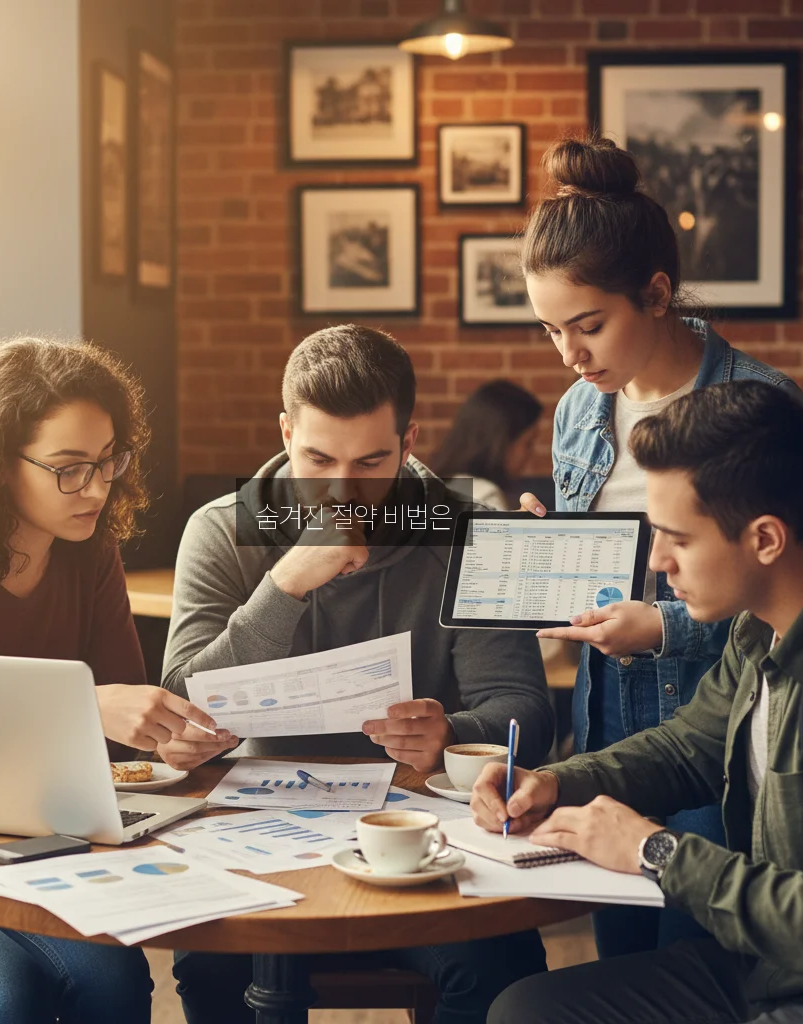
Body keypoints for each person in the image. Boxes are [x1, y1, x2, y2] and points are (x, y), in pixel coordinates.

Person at [163, 324, 554, 1024]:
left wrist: (452, 733)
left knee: (498, 965)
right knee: (209, 960)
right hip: (256, 828)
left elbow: (525, 709)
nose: (344, 491)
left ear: (409, 442)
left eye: (372, 462)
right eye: (317, 458)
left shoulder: (469, 526)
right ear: (285, 432)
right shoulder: (222, 530)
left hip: (420, 833)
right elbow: (178, 711)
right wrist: (282, 586)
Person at [0, 337, 237, 1024]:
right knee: (1, 994)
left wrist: (161, 741)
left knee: (114, 975)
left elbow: (118, 746)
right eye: (68, 468)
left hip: (27, 843)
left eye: (108, 459)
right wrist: (91, 706)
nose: (96, 487)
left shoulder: (89, 552)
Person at [514, 135, 803, 958]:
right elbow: (617, 566)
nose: (569, 354)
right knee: (621, 953)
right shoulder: (579, 411)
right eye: (550, 330)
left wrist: (662, 629)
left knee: (709, 950)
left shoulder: (760, 406)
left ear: (656, 293)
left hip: (722, 716)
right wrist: (555, 559)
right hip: (608, 715)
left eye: (586, 325)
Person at [473, 380, 803, 1024]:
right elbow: (688, 748)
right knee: (524, 1010)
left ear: (765, 539)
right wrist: (551, 782)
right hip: (762, 968)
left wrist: (658, 851)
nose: (657, 562)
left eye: (675, 539)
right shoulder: (761, 622)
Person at [430, 379, 544, 510]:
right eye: (528, 443)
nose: (531, 453)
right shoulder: (485, 497)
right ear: (501, 442)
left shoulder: (436, 488)